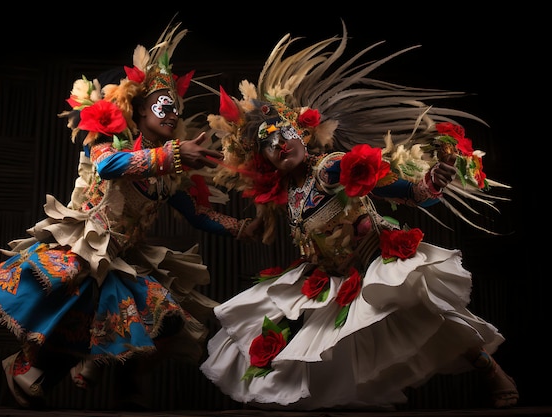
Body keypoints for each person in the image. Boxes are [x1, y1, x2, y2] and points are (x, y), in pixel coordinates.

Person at [200, 20, 518, 411]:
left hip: (376, 259)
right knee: (276, 325)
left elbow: (399, 190)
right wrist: (221, 220)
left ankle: (489, 368)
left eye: (285, 134)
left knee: (429, 312)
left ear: (302, 134)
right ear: (263, 160)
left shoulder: (330, 167)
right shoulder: (288, 194)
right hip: (333, 278)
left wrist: (429, 183)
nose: (281, 145)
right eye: (269, 145)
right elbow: (265, 228)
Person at [0, 21, 255, 409]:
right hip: (86, 247)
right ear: (138, 107)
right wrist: (170, 155)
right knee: (73, 302)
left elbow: (198, 213)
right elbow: (109, 167)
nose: (172, 114)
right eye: (163, 105)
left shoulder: (168, 171)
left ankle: (125, 386)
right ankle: (30, 363)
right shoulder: (110, 142)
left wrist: (245, 228)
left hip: (122, 258)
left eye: (176, 108)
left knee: (166, 320)